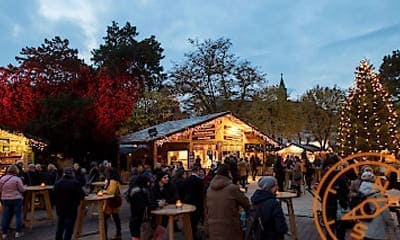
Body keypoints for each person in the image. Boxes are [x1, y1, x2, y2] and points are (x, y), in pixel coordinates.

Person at [206, 164, 250, 240]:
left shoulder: (209, 189)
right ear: (228, 173)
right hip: (230, 226)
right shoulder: (232, 188)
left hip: (213, 227)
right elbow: (246, 204)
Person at [54, 167, 85, 240]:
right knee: (69, 228)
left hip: (60, 208)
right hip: (71, 208)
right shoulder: (75, 183)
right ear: (72, 173)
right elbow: (81, 195)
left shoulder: (58, 183)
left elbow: (54, 195)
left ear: (63, 173)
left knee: (60, 227)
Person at [0, 165, 26, 239]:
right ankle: (18, 232)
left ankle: (4, 233)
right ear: (16, 171)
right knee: (18, 215)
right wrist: (25, 187)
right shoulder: (17, 179)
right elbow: (22, 189)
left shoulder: (2, 179)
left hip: (5, 199)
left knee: (5, 215)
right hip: (16, 198)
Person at [128, 175, 157, 240]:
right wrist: (155, 205)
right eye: (148, 182)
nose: (149, 183)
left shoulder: (143, 190)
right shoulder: (138, 192)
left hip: (138, 220)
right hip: (138, 221)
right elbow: (143, 205)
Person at [184, 167, 205, 240]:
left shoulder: (187, 180)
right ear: (197, 171)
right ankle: (194, 235)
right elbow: (201, 192)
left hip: (188, 201)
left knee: (190, 219)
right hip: (197, 201)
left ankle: (189, 234)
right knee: (195, 219)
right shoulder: (199, 180)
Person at [103, 167, 123, 240]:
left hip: (110, 203)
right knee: (116, 217)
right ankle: (118, 234)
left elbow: (110, 192)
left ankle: (104, 236)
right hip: (116, 202)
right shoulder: (117, 180)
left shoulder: (112, 181)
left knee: (103, 219)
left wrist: (101, 192)